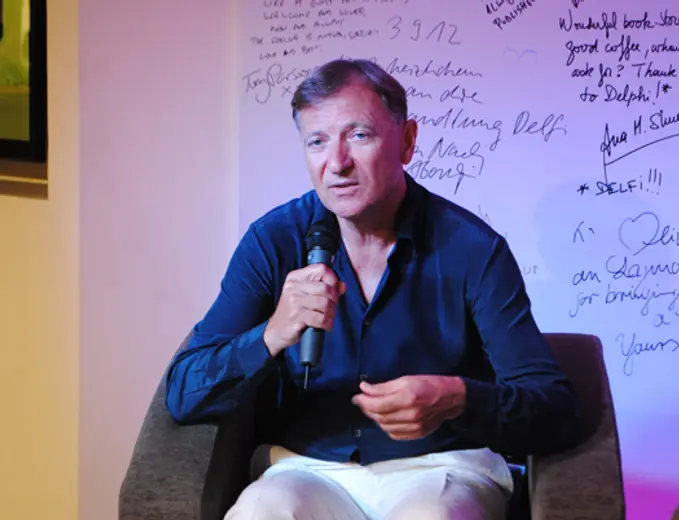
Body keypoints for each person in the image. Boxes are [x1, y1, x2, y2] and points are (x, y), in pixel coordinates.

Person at [165, 58, 581, 520]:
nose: (337, 164)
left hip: (439, 467)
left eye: (359, 135)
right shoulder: (273, 241)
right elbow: (184, 392)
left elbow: (555, 410)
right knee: (260, 512)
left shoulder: (474, 250)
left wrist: (458, 398)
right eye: (317, 142)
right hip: (307, 469)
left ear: (407, 141)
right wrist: (271, 335)